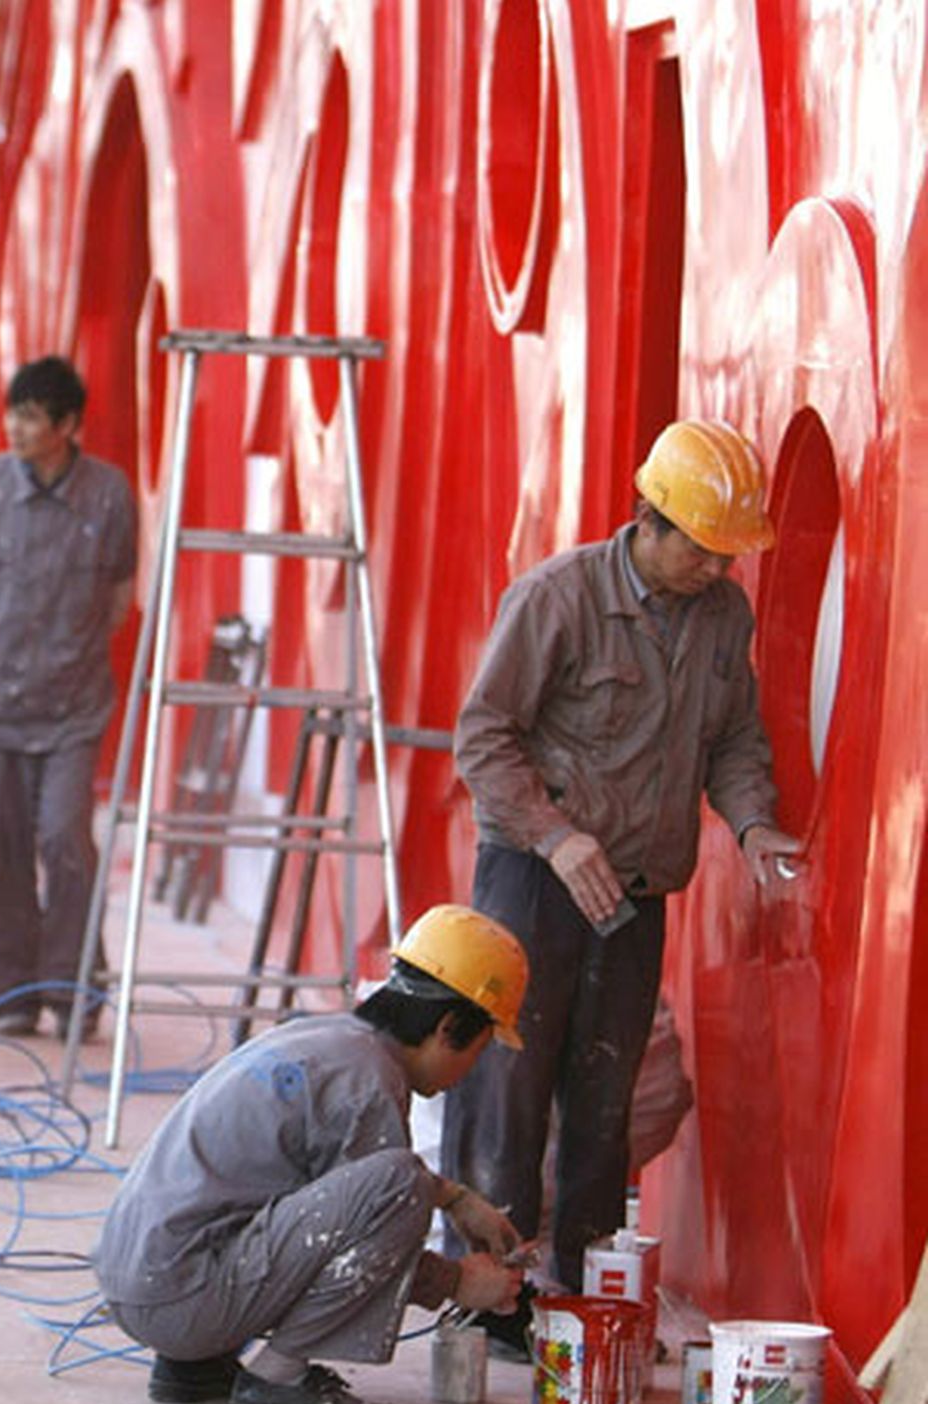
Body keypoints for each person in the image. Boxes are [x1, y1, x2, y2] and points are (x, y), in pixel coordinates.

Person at [440, 418, 801, 1311]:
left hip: (635, 896)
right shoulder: (558, 597)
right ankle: (493, 1295)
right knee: (508, 1095)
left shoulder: (725, 618)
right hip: (533, 879)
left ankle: (578, 1296)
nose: (720, 569)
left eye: (730, 555)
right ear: (653, 521)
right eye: (706, 551)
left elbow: (735, 743)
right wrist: (556, 835)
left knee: (604, 1099)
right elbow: (483, 739)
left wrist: (754, 827)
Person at [92, 904, 532, 1404]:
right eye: (479, 1048)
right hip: (181, 1299)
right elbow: (378, 1227)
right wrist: (459, 1282)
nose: (472, 1069)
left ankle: (194, 1370)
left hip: (143, 1278)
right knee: (400, 1182)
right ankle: (276, 1381)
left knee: (379, 1184)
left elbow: (336, 1191)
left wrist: (455, 1198)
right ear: (449, 1026)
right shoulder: (369, 1085)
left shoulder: (331, 1041)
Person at [0, 356, 137, 1039]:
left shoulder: (110, 495)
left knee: (65, 841)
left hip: (72, 709)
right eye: (13, 412)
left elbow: (119, 595)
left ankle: (74, 988)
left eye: (31, 416)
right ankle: (14, 994)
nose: (16, 428)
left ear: (66, 425)